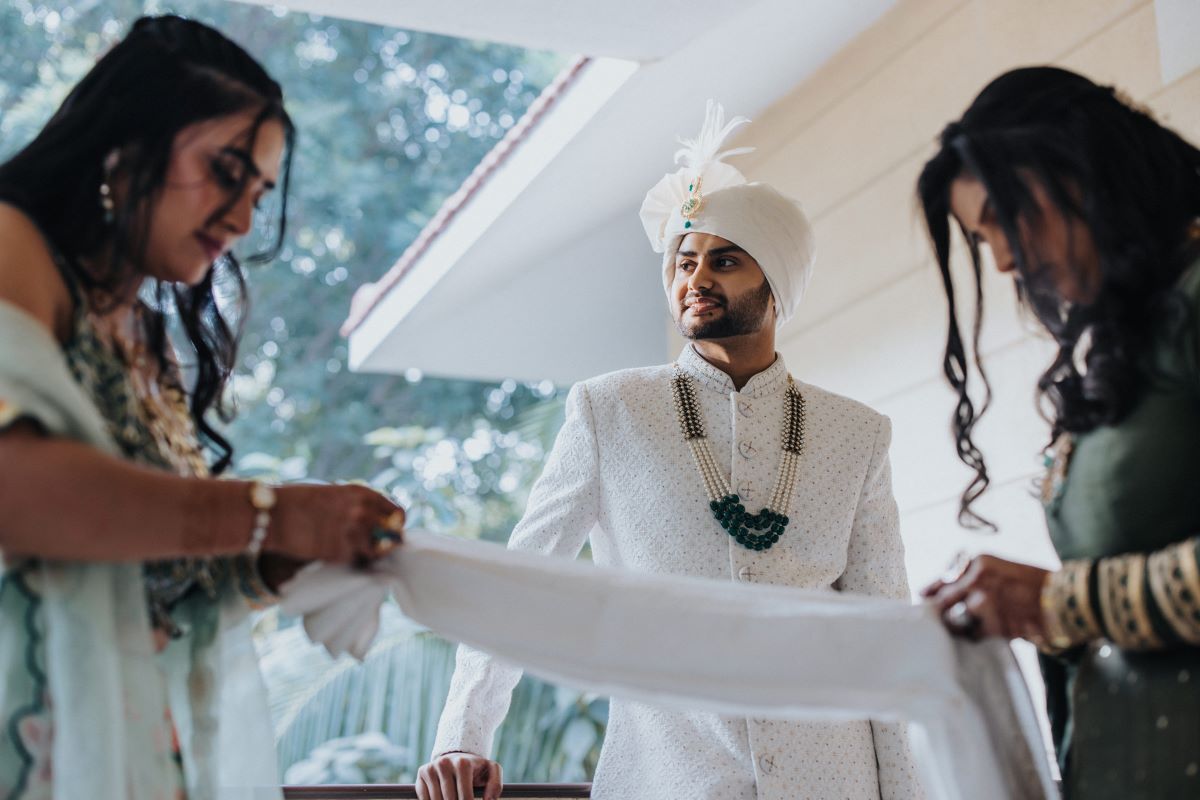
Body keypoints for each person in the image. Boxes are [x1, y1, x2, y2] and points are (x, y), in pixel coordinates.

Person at [416, 102, 922, 800]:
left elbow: (885, 639)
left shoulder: (856, 434)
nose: (695, 279)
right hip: (668, 779)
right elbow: (520, 584)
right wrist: (461, 740)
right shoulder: (610, 410)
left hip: (834, 782)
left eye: (725, 260)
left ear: (775, 282)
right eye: (684, 261)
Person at [0, 15, 405, 799]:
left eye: (258, 192)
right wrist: (268, 514)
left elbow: (159, 572)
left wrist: (288, 551)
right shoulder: (11, 244)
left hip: (132, 754)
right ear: (126, 143)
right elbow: (14, 495)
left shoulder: (146, 338)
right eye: (225, 171)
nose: (245, 219)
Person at [917, 66, 1200, 798]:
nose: (1006, 259)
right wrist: (1021, 609)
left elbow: (1085, 595)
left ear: (1082, 170)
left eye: (1006, 220)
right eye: (983, 243)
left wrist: (1060, 602)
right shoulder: (1135, 335)